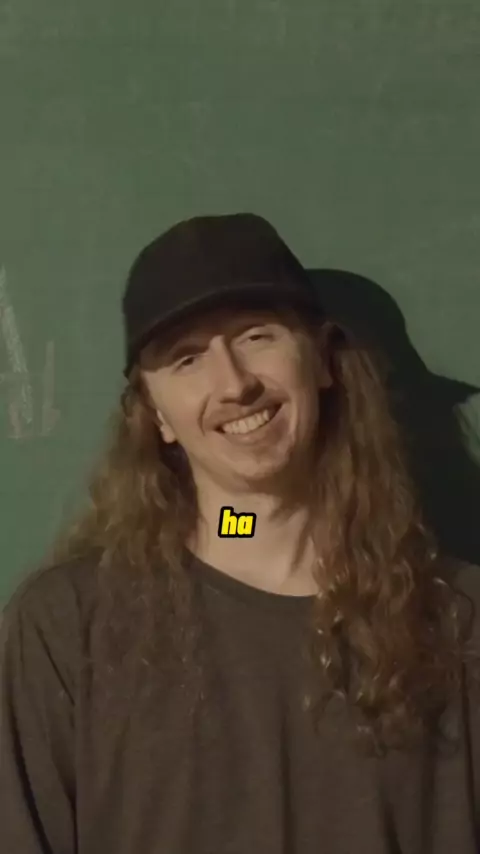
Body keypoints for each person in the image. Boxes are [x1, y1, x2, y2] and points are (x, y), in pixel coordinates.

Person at [1, 212, 480, 854]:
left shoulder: (459, 623)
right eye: (187, 358)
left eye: (256, 336)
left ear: (323, 360)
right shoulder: (66, 629)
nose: (234, 384)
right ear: (155, 415)